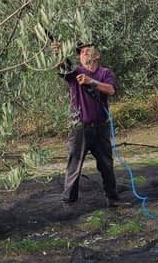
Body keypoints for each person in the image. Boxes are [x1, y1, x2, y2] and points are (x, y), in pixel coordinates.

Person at [51, 41, 119, 207]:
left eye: (87, 51)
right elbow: (61, 67)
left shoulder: (105, 73)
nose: (84, 54)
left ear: (97, 55)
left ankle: (112, 198)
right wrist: (57, 53)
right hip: (79, 129)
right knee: (74, 166)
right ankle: (68, 202)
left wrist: (91, 81)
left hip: (101, 128)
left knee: (106, 165)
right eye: (81, 52)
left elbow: (111, 90)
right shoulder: (75, 73)